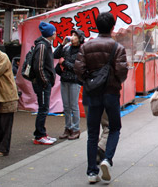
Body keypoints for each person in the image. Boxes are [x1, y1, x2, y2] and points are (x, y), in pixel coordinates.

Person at [74, 12, 128, 184]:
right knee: (114, 128)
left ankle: (91, 172)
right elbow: (121, 72)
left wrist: (89, 81)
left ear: (96, 26)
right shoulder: (117, 48)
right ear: (112, 27)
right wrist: (114, 81)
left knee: (92, 133)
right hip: (111, 93)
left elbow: (79, 69)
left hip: (92, 93)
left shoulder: (86, 47)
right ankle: (107, 159)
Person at [54, 29, 85, 140]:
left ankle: (76, 129)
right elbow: (56, 55)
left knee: (73, 105)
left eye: (75, 35)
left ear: (80, 38)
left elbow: (77, 67)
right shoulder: (66, 48)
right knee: (66, 106)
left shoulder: (82, 51)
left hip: (75, 80)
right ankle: (68, 128)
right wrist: (62, 45)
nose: (72, 37)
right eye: (72, 35)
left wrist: (64, 63)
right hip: (65, 79)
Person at [31, 21, 57, 145]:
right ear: (50, 33)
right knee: (43, 108)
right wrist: (45, 81)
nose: (56, 33)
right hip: (42, 83)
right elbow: (38, 66)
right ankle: (39, 135)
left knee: (44, 108)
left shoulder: (45, 45)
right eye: (54, 31)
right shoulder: (42, 46)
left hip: (44, 82)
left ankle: (42, 132)